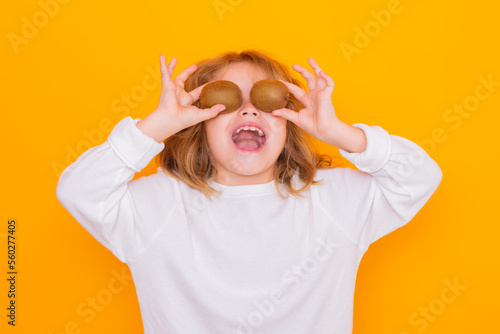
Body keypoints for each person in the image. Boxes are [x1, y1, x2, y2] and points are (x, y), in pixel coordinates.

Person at [56, 49, 443, 334]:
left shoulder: (333, 202)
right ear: (201, 125)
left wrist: (338, 133)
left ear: (288, 123)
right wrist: (157, 125)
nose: (247, 111)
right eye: (226, 100)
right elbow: (78, 190)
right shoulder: (158, 207)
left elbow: (420, 177)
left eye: (262, 98)